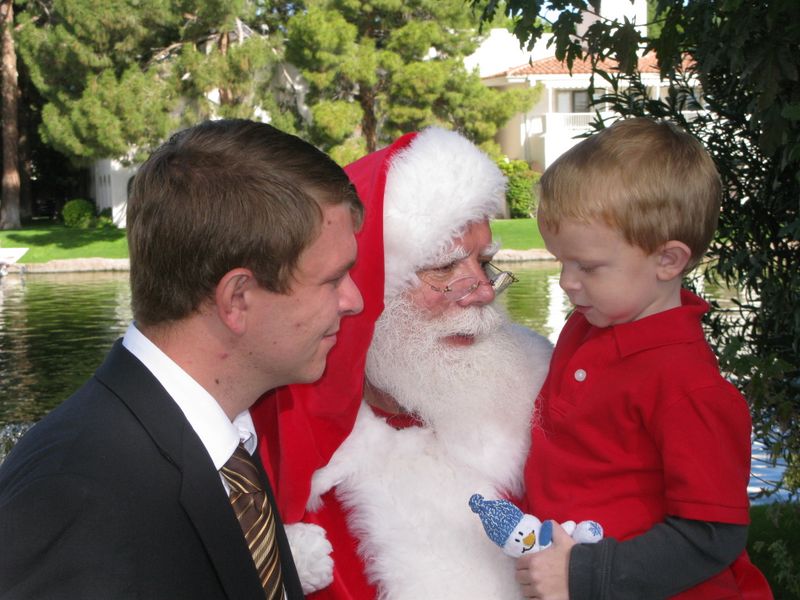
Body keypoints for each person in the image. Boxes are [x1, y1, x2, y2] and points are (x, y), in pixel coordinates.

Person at [0, 119, 364, 599]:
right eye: (333, 279)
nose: (354, 300)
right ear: (237, 299)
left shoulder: (225, 450)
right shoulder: (78, 500)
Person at [251, 126, 554, 599]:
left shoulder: (543, 385)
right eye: (445, 267)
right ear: (373, 288)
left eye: (485, 262)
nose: (484, 290)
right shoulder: (288, 455)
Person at [516, 117, 773, 599]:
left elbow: (712, 536)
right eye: (561, 261)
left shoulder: (685, 386)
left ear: (668, 260)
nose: (567, 282)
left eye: (587, 266)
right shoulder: (589, 321)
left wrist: (585, 574)